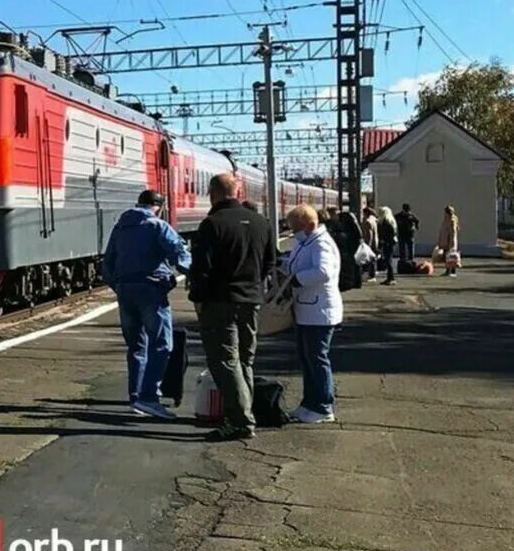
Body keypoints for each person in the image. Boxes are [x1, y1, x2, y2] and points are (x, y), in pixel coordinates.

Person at [187, 173, 274, 442]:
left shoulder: (211, 225)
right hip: (252, 300)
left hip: (219, 302)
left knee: (225, 361)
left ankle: (240, 421)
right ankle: (243, 414)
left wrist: (198, 300)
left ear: (213, 193)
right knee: (245, 359)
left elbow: (202, 269)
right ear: (238, 191)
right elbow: (271, 263)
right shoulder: (262, 223)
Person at [102, 189, 191, 420]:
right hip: (151, 291)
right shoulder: (158, 226)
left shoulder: (121, 226)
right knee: (162, 345)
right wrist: (194, 273)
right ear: (159, 207)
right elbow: (180, 255)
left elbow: (108, 262)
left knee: (136, 346)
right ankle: (149, 397)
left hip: (125, 291)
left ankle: (136, 396)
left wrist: (120, 287)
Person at [282, 204, 343, 423]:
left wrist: (296, 279)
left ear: (310, 224)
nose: (294, 231)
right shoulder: (305, 241)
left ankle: (323, 405)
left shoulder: (322, 243)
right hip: (307, 309)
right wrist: (284, 266)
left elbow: (323, 272)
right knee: (307, 359)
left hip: (319, 311)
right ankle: (309, 402)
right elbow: (295, 263)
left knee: (317, 359)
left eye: (296, 227)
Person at [333, 207, 365, 292]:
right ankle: (357, 282)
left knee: (352, 264)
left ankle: (352, 282)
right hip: (354, 245)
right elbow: (359, 233)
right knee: (356, 264)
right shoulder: (352, 220)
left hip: (350, 246)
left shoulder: (344, 220)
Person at [435, 205, 461, 276]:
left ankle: (452, 271)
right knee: (447, 257)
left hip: (450, 242)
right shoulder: (447, 219)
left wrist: (451, 244)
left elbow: (452, 233)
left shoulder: (452, 220)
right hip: (445, 241)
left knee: (451, 257)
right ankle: (448, 271)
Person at [377, 206, 399, 285]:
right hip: (391, 243)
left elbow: (387, 234)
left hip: (388, 243)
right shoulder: (391, 221)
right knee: (388, 260)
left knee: (388, 260)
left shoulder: (386, 222)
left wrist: (383, 241)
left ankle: (391, 278)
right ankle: (389, 278)